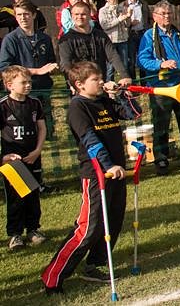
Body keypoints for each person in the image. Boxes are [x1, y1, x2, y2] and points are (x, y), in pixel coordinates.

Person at [41, 62, 130, 293]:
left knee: (113, 221)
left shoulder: (104, 100)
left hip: (116, 172)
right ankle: (53, 276)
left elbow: (133, 113)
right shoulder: (77, 108)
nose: (101, 82)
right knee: (88, 227)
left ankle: (95, 265)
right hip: (96, 174)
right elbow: (90, 140)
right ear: (79, 85)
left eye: (101, 78)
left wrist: (122, 95)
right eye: (95, 79)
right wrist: (108, 165)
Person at [137, 0, 180, 175]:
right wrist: (161, 64)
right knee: (162, 125)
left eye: (169, 14)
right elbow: (142, 60)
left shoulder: (179, 34)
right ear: (155, 16)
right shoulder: (148, 36)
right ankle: (161, 159)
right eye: (163, 14)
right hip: (161, 88)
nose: (167, 17)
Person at [1, 66, 47, 250]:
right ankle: (15, 234)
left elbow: (42, 128)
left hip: (33, 156)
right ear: (10, 85)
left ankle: (33, 229)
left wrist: (37, 150)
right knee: (16, 196)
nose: (28, 85)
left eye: (29, 82)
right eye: (24, 82)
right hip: (13, 161)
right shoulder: (3, 106)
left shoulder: (35, 103)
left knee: (33, 194)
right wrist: (4, 156)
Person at [0, 1, 58, 140]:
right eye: (19, 14)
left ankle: (47, 136)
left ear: (34, 15)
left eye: (26, 14)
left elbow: (50, 61)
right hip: (19, 92)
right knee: (24, 127)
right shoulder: (10, 39)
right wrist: (36, 71)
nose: (22, 17)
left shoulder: (45, 38)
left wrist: (53, 68)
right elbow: (5, 68)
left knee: (45, 125)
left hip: (42, 88)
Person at [58, 2, 131, 90]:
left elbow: (113, 55)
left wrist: (124, 75)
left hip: (100, 83)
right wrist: (72, 83)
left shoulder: (100, 35)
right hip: (80, 86)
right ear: (72, 16)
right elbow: (66, 64)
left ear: (89, 15)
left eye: (83, 14)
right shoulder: (66, 39)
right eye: (76, 14)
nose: (80, 17)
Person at [98, 0, 132, 81]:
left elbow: (127, 25)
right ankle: (110, 91)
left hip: (123, 40)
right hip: (111, 41)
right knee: (110, 68)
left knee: (124, 65)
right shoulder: (103, 11)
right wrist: (119, 19)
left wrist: (128, 17)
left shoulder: (121, 8)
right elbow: (105, 25)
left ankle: (125, 89)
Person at [124, 0, 151, 80]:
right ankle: (134, 83)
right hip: (130, 34)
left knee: (144, 58)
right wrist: (130, 23)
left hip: (143, 33)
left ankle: (144, 83)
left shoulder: (143, 4)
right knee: (131, 60)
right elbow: (121, 22)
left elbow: (149, 18)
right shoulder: (123, 5)